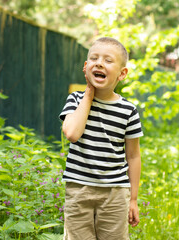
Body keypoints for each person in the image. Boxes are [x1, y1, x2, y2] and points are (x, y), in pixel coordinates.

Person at [59, 37, 143, 240]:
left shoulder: (128, 110)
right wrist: (89, 93)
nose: (99, 63)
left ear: (122, 74)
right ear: (86, 67)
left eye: (108, 60)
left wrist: (133, 199)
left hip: (115, 192)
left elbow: (133, 156)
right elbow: (72, 133)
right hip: (78, 189)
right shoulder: (76, 100)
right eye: (94, 59)